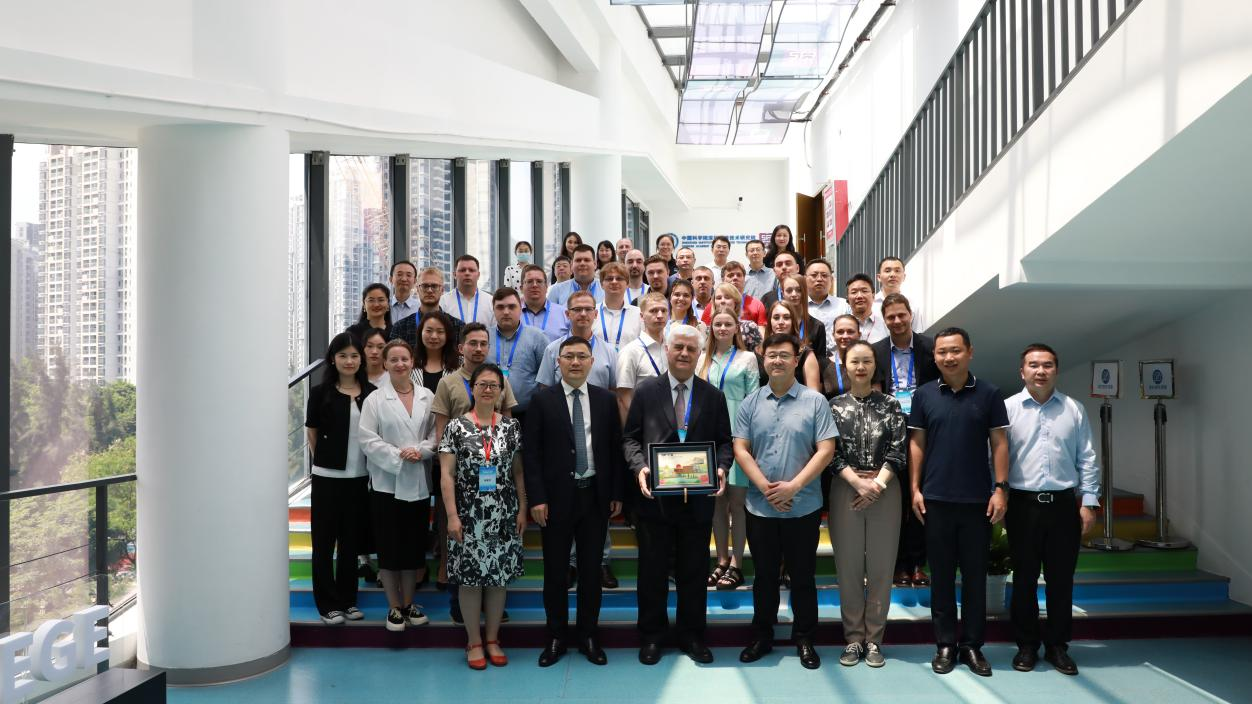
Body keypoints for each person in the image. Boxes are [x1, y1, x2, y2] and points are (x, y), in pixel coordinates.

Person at [623, 325, 733, 666]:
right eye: (678, 347)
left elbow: (725, 442)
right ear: (667, 351)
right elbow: (630, 439)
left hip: (697, 502)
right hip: (654, 502)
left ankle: (692, 635)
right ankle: (652, 636)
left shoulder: (713, 396)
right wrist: (640, 467)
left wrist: (721, 468)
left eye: (691, 348)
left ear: (699, 353)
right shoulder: (646, 391)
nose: (684, 353)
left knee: (694, 573)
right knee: (651, 573)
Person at [908, 327, 1010, 678]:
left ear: (970, 352)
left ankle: (972, 646)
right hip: (935, 500)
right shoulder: (923, 395)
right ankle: (945, 644)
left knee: (975, 577)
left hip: (977, 501)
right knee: (940, 577)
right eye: (942, 352)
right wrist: (915, 488)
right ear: (934, 356)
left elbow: (999, 443)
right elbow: (917, 444)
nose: (948, 357)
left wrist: (1000, 489)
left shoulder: (989, 393)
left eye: (955, 350)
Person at [734, 333, 838, 670]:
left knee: (803, 576)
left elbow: (826, 450)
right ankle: (762, 636)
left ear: (796, 360)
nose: (777, 360)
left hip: (803, 505)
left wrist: (793, 487)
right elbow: (740, 449)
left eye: (784, 355)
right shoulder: (750, 403)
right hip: (760, 505)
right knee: (764, 576)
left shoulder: (815, 402)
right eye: (771, 355)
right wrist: (766, 488)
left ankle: (804, 638)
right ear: (763, 360)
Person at [524, 337, 626, 667]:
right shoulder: (542, 401)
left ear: (592, 362)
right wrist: (537, 498)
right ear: (558, 362)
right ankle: (556, 635)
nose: (576, 362)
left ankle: (588, 635)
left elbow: (615, 449)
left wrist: (616, 492)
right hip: (554, 501)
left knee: (591, 572)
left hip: (594, 497)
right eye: (569, 356)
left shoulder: (605, 400)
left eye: (582, 356)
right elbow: (531, 454)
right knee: (555, 572)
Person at [1005, 343, 1100, 677]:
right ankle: (1026, 646)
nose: (1040, 371)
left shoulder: (1073, 409)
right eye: (1033, 365)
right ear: (1022, 371)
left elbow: (1087, 457)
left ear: (1056, 370)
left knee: (1061, 580)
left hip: (1062, 506)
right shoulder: (1008, 409)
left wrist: (1089, 501)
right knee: (1024, 579)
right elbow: (994, 459)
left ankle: (1058, 646)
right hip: (1022, 505)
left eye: (1047, 365)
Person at [438, 363, 526, 669]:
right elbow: (447, 475)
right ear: (472, 388)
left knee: (498, 579)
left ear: (501, 391)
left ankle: (492, 638)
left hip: (504, 513)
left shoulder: (512, 428)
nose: (488, 390)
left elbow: (518, 472)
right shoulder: (455, 427)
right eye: (482, 384)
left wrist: (523, 508)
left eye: (494, 385)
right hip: (468, 514)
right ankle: (473, 641)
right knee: (470, 579)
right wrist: (452, 515)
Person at [828, 340, 906, 668]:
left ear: (875, 366)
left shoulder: (891, 404)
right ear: (844, 366)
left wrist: (877, 485)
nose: (860, 367)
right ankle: (853, 639)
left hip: (885, 488)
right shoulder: (832, 406)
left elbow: (899, 450)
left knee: (881, 567)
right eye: (854, 361)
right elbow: (829, 452)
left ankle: (874, 639)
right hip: (845, 487)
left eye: (867, 362)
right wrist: (858, 483)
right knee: (848, 567)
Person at [432, 323, 519, 604]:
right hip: (462, 482)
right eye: (473, 343)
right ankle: (459, 605)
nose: (478, 348)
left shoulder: (500, 379)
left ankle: (492, 608)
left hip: (497, 486)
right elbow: (441, 431)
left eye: (483, 343)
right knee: (458, 542)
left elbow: (507, 425)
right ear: (461, 348)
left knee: (495, 547)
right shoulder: (448, 383)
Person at [358, 339, 439, 631]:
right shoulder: (375, 400)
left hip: (417, 481)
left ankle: (408, 604)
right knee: (390, 549)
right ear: (385, 364)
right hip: (386, 484)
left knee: (413, 549)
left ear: (412, 361)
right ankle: (394, 607)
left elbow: (436, 433)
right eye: (393, 360)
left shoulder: (427, 395)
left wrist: (423, 450)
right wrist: (398, 455)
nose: (400, 364)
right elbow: (367, 439)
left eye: (404, 359)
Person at [304, 332, 377, 625]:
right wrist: (324, 460)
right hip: (327, 478)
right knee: (324, 543)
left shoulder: (371, 392)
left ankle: (348, 600)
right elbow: (311, 431)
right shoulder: (320, 392)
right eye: (343, 355)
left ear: (362, 359)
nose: (349, 361)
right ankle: (327, 604)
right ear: (333, 359)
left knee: (350, 543)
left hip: (359, 477)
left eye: (354, 355)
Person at [870, 292, 940, 587]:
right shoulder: (876, 351)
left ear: (911, 314)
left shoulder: (931, 347)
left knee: (921, 497)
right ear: (883, 320)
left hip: (925, 432)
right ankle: (899, 564)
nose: (897, 321)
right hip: (891, 434)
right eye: (891, 317)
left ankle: (919, 564)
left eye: (902, 315)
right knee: (895, 502)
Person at [698, 309, 759, 591]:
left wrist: (746, 439)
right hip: (709, 437)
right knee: (717, 503)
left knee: (737, 503)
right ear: (711, 328)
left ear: (736, 328)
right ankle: (721, 560)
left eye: (728, 324)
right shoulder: (703, 358)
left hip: (738, 434)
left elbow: (753, 400)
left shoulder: (747, 358)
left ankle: (737, 564)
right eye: (717, 324)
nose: (722, 328)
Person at [486, 288, 550, 422]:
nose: (506, 312)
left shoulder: (537, 337)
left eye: (511, 307)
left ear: (520, 309)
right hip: (489, 414)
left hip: (529, 415)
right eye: (500, 307)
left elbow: (546, 379)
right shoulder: (484, 337)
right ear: (493, 310)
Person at [536, 290, 619, 391]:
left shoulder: (609, 351)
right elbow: (545, 389)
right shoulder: (552, 350)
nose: (583, 314)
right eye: (577, 309)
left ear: (596, 314)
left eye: (588, 309)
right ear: (567, 314)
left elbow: (614, 390)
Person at [614, 291, 669, 421]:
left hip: (672, 422)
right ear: (642, 316)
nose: (660, 315)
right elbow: (624, 396)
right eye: (653, 311)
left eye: (663, 311)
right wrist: (642, 422)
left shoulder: (672, 348)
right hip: (645, 424)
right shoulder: (630, 352)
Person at [391, 267, 464, 352]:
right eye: (425, 286)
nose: (429, 290)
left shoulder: (458, 327)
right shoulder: (400, 327)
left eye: (434, 286)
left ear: (442, 290)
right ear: (417, 289)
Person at [764, 301, 820, 391]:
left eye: (786, 317)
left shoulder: (805, 354)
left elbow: (814, 394)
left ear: (793, 321)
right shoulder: (759, 352)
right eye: (776, 318)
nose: (781, 322)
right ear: (770, 321)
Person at [804, 258, 850, 353]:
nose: (819, 279)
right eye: (814, 275)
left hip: (838, 359)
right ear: (804, 279)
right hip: (807, 358)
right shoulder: (798, 306)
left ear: (831, 280)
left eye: (824, 275)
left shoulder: (844, 305)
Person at [777, 274, 828, 359]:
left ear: (805, 292)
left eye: (799, 290)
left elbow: (820, 361)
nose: (794, 294)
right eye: (789, 291)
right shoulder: (777, 323)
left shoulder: (817, 326)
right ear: (783, 294)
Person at [595, 262, 642, 353]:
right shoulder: (592, 312)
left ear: (627, 284)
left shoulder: (638, 314)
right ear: (601, 284)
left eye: (619, 278)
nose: (614, 282)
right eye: (609, 279)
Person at [705, 261, 766, 326]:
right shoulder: (714, 305)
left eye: (739, 275)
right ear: (723, 280)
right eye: (730, 275)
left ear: (744, 279)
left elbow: (762, 330)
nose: (735, 278)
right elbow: (704, 330)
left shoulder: (757, 305)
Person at [412, 311, 458, 396]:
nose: (434, 336)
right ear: (420, 332)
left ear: (447, 335)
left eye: (440, 332)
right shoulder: (409, 362)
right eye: (429, 331)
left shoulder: (460, 363)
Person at [519, 264, 569, 342]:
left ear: (546, 287)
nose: (535, 285)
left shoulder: (564, 314)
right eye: (529, 281)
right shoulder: (512, 314)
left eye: (539, 281)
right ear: (521, 288)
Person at [440, 255, 494, 326]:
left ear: (478, 275)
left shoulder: (491, 302)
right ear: (454, 274)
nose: (467, 273)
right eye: (462, 270)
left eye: (471, 270)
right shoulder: (443, 302)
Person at [875, 256, 926, 332]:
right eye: (887, 271)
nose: (892, 274)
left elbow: (918, 333)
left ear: (904, 277)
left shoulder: (912, 304)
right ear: (879, 277)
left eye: (897, 271)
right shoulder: (871, 304)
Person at [710, 283, 763, 351]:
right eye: (718, 298)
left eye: (727, 297)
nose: (722, 301)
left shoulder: (749, 327)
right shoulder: (708, 329)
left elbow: (760, 354)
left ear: (736, 302)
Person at [847, 273, 887, 343]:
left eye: (864, 291)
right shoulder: (841, 325)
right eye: (854, 292)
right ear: (847, 298)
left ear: (873, 296)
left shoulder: (885, 324)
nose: (859, 296)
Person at [829, 314, 861, 396]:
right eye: (840, 332)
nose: (845, 336)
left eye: (850, 332)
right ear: (833, 335)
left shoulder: (869, 363)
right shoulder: (824, 365)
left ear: (859, 335)